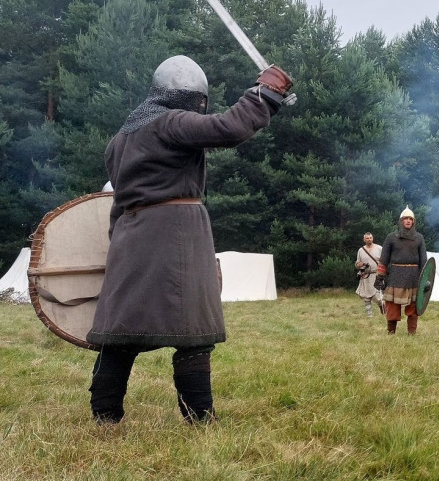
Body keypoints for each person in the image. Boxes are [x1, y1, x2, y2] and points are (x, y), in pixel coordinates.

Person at [87, 55, 293, 424]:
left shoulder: (119, 140)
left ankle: (105, 416)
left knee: (121, 333)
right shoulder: (170, 122)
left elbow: (117, 200)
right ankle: (199, 417)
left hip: (130, 236)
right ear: (191, 97)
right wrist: (263, 95)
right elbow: (227, 128)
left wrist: (117, 244)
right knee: (193, 331)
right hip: (176, 235)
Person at [378, 207, 427, 334]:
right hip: (395, 275)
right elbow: (384, 259)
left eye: (411, 219)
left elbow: (424, 261)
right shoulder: (391, 238)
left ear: (413, 222)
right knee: (392, 305)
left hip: (413, 276)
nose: (408, 221)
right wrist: (380, 276)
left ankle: (412, 332)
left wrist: (425, 278)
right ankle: (391, 331)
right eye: (406, 218)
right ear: (401, 221)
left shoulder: (419, 238)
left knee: (414, 307)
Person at [355, 232, 385, 317]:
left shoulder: (379, 248)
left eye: (370, 238)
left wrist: (382, 273)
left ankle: (383, 311)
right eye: (367, 238)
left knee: (378, 297)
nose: (369, 239)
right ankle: (369, 316)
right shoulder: (361, 250)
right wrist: (359, 265)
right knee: (366, 297)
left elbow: (384, 261)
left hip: (377, 275)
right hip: (365, 276)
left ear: (373, 238)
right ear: (364, 240)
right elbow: (357, 263)